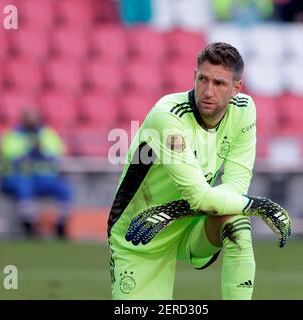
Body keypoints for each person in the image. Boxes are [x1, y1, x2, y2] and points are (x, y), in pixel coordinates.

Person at [107, 42, 291, 300]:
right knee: (241, 208)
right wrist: (260, 206)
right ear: (194, 77)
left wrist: (175, 210)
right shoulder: (168, 116)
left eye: (219, 84)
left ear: (236, 88)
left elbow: (236, 187)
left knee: (236, 220)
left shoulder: (244, 110)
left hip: (189, 225)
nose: (208, 91)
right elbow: (199, 197)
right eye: (203, 79)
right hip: (140, 232)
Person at [0, 108, 72, 238]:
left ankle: (60, 225)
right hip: (19, 177)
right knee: (23, 187)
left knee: (64, 188)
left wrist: (43, 152)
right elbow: (11, 157)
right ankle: (29, 226)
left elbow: (59, 152)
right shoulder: (13, 135)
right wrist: (30, 152)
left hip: (43, 178)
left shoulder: (47, 134)